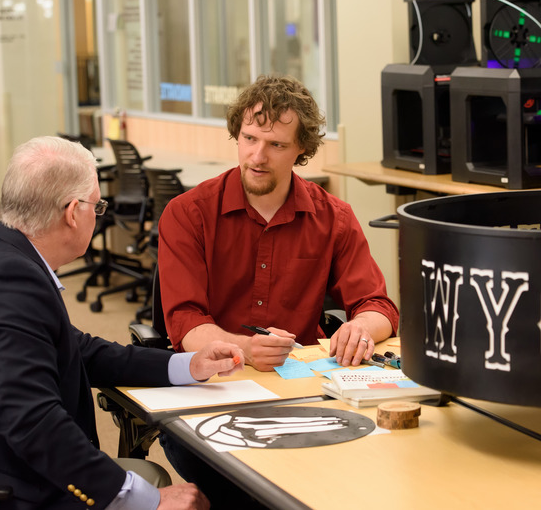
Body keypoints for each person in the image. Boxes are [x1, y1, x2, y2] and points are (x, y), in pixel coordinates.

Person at [0, 136, 246, 509]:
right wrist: (143, 499)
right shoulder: (11, 282)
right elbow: (33, 423)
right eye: (98, 205)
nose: (98, 214)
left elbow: (81, 350)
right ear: (73, 212)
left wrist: (188, 364)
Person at [159, 74, 400, 372]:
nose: (257, 157)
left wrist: (361, 327)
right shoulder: (188, 214)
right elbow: (185, 320)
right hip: (218, 376)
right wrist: (246, 349)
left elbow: (378, 305)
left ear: (302, 148)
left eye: (276, 145)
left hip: (300, 373)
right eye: (249, 139)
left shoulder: (333, 217)